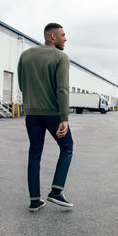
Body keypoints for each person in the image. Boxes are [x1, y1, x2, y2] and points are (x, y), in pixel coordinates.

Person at [17, 22, 74, 212]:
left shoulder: (25, 56)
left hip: (32, 114)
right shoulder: (61, 57)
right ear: (52, 36)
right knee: (67, 147)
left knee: (35, 153)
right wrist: (64, 118)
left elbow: (22, 84)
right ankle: (56, 191)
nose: (65, 38)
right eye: (63, 35)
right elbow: (62, 89)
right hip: (53, 114)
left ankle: (35, 201)